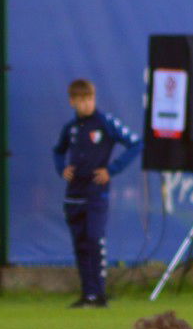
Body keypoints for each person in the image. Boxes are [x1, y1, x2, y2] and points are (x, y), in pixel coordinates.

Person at [52, 78, 142, 307]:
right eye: (81, 100)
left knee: (94, 238)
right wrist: (62, 168)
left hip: (96, 192)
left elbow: (136, 143)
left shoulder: (105, 123)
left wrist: (112, 170)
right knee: (80, 242)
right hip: (74, 194)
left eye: (89, 99)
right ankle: (88, 294)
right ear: (72, 101)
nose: (86, 104)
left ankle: (99, 293)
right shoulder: (71, 128)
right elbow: (58, 151)